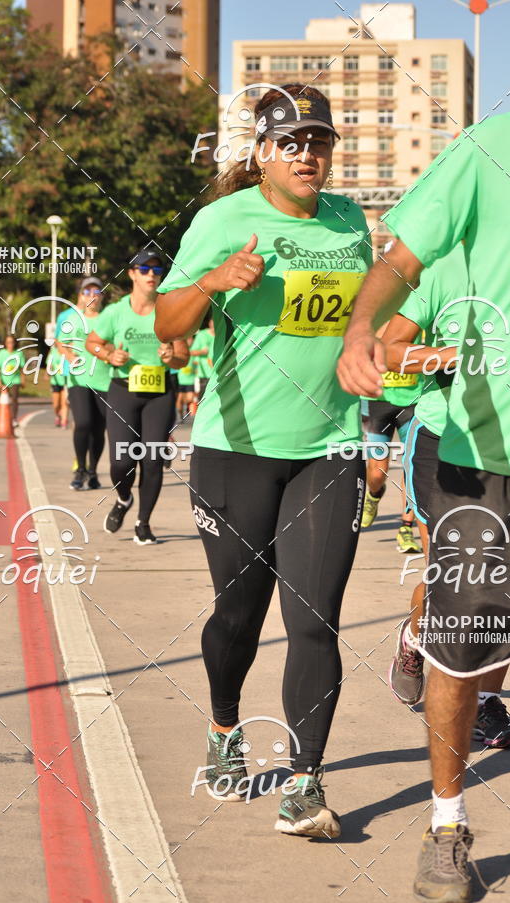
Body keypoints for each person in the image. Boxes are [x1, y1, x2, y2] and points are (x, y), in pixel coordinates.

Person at [337, 20, 510, 900]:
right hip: (485, 459)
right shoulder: (488, 152)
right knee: (468, 652)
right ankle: (446, 821)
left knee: (501, 637)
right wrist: (363, 329)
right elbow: (399, 259)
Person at [156, 84, 371, 838]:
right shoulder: (223, 220)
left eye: (319, 141)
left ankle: (306, 783)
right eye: (292, 142)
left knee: (314, 618)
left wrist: (371, 427)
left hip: (330, 447)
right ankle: (224, 730)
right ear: (262, 153)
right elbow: (166, 320)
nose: (308, 154)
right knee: (240, 614)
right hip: (237, 450)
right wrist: (213, 283)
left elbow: (361, 325)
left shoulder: (350, 222)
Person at [384, 243, 510, 750]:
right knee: (453, 572)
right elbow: (390, 348)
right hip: (443, 439)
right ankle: (415, 637)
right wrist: (448, 356)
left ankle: (486, 705)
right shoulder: (440, 275)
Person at [86, 250, 189, 545]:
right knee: (121, 460)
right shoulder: (116, 312)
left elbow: (182, 356)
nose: (151, 275)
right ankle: (123, 498)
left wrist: (171, 356)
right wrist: (108, 354)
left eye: (157, 270)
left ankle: (143, 523)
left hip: (160, 393)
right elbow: (92, 342)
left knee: (153, 459)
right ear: (132, 273)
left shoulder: (168, 308)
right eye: (144, 269)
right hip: (122, 391)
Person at [360, 330, 422, 553]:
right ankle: (374, 494)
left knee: (412, 466)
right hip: (376, 401)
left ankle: (406, 527)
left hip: (412, 402)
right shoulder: (378, 311)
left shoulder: (420, 310)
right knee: (377, 473)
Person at [56, 276, 111, 490]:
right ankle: (80, 469)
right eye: (87, 292)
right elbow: (61, 342)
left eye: (96, 292)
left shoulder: (108, 318)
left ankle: (93, 471)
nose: (92, 296)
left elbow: (116, 343)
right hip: (78, 378)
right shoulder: (73, 318)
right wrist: (69, 356)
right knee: (84, 423)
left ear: (101, 297)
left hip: (104, 380)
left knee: (99, 430)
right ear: (80, 296)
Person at [0, 334, 25, 426]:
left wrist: (23, 380)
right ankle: (5, 418)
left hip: (15, 380)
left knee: (14, 399)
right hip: (4, 380)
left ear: (15, 343)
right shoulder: (2, 353)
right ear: (5, 343)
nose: (10, 344)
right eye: (8, 342)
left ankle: (14, 419)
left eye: (11, 342)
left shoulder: (19, 353)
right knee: (4, 400)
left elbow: (22, 369)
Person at [189, 317, 215, 403]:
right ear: (209, 323)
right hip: (203, 374)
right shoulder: (202, 335)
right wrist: (202, 351)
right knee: (203, 398)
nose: (214, 324)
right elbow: (191, 352)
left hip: (217, 373)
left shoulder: (221, 334)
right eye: (212, 321)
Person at [45, 343, 69, 427]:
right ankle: (58, 415)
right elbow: (49, 364)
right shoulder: (53, 351)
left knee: (64, 402)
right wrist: (48, 373)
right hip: (55, 381)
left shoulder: (68, 351)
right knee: (56, 405)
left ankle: (64, 420)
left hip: (66, 381)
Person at [175, 336, 196, 421]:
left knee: (189, 398)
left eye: (191, 339)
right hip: (181, 380)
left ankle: (186, 409)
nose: (190, 341)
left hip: (191, 380)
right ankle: (180, 415)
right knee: (179, 400)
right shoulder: (180, 351)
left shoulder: (194, 351)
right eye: (188, 339)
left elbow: (197, 362)